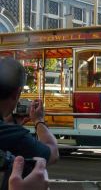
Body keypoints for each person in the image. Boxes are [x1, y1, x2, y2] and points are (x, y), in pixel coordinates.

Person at [0, 58, 59, 186]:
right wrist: (39, 120)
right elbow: (53, 152)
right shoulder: (17, 137)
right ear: (16, 93)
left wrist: (10, 124)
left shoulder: (9, 131)